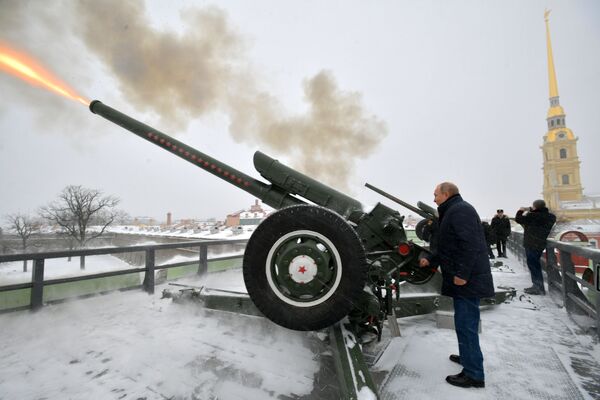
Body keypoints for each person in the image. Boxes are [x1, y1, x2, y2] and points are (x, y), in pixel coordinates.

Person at [419, 182, 494, 388]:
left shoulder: (460, 211)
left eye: (436, 195)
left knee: (466, 324)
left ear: (446, 194)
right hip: (464, 278)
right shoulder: (453, 210)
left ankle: (474, 375)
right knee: (463, 323)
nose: (434, 199)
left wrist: (462, 274)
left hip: (467, 280)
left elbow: (470, 245)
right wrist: (431, 260)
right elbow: (448, 245)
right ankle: (467, 357)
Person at [514, 199, 556, 295]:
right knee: (535, 265)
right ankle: (537, 286)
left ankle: (538, 287)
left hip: (531, 244)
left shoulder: (532, 216)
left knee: (533, 266)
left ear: (535, 207)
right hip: (540, 244)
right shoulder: (551, 217)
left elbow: (518, 219)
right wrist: (533, 210)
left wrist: (521, 210)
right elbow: (540, 218)